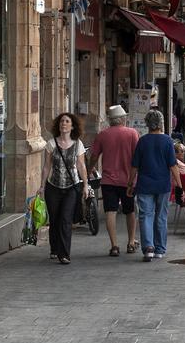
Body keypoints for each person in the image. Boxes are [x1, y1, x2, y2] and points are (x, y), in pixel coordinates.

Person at [88, 105, 141, 257]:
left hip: (108, 180)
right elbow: (137, 157)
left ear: (110, 120)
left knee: (110, 211)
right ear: (123, 119)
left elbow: (94, 156)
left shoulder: (102, 135)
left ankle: (114, 245)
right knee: (130, 211)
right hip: (128, 180)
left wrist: (90, 168)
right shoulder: (132, 133)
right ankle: (131, 242)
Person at [127, 109, 180, 262]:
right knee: (161, 217)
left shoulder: (142, 141)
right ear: (161, 124)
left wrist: (130, 183)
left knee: (145, 216)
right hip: (163, 184)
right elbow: (173, 165)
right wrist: (179, 184)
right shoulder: (168, 141)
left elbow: (134, 166)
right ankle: (160, 249)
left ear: (147, 124)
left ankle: (148, 247)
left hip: (144, 185)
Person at [38, 112, 89, 265]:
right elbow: (47, 167)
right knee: (55, 219)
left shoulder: (78, 144)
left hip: (71, 187)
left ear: (72, 126)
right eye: (61, 122)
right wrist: (42, 186)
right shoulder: (51, 144)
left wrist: (86, 184)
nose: (64, 124)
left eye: (67, 121)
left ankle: (64, 254)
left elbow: (81, 165)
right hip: (53, 186)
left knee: (66, 219)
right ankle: (54, 248)